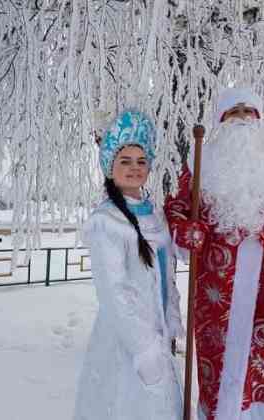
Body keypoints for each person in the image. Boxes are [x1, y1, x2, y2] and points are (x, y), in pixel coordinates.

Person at [164, 88, 264, 420]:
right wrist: (184, 231)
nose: (243, 118)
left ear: (259, 119)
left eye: (249, 111)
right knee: (215, 356)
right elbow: (177, 208)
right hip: (213, 284)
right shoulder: (199, 166)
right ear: (221, 119)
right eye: (234, 111)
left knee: (259, 356)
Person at [73, 110, 185, 420]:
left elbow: (167, 277)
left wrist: (172, 318)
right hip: (127, 344)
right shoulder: (106, 221)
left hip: (158, 337)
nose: (134, 168)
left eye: (140, 161)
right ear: (111, 167)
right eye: (125, 161)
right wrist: (143, 348)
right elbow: (114, 293)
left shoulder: (154, 215)